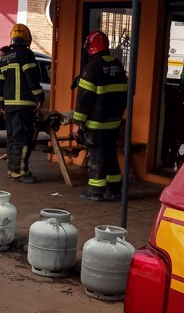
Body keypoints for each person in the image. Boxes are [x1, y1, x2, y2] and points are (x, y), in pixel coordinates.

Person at [72, 30, 128, 201]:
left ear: (91, 47)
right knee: (110, 154)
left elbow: (84, 99)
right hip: (113, 122)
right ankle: (114, 188)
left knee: (96, 155)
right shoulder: (118, 65)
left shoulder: (92, 68)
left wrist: (77, 122)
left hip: (96, 123)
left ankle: (95, 191)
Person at [0, 24, 44, 183]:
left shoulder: (5, 57)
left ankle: (12, 169)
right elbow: (31, 77)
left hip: (9, 107)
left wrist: (0, 102)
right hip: (23, 106)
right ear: (27, 39)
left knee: (11, 139)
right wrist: (39, 97)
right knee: (23, 139)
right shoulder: (26, 54)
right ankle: (20, 172)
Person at [0, 46, 11, 161]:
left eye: (2, 56)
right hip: (7, 102)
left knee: (15, 131)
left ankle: (12, 154)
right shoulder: (3, 67)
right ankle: (9, 152)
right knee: (9, 129)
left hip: (14, 103)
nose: (0, 59)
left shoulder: (11, 67)